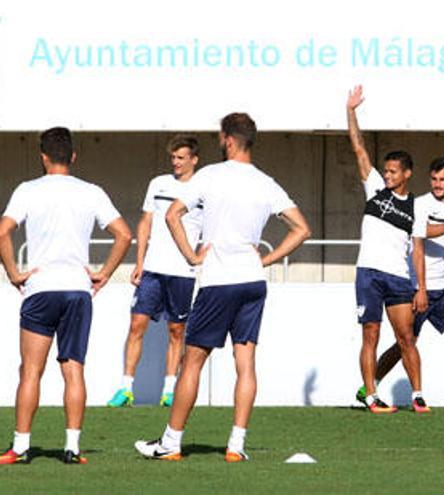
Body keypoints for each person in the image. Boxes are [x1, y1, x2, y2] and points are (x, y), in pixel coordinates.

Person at [134, 113, 311, 462]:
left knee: (193, 361)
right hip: (252, 281)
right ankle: (236, 445)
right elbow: (302, 229)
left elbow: (171, 215)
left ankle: (171, 443)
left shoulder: (210, 175)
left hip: (219, 282)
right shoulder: (266, 182)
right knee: (245, 362)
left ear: (228, 140)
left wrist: (191, 256)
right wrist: (267, 259)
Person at [0, 127, 132, 465]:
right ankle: (72, 447)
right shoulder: (91, 191)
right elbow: (123, 234)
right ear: (72, 156)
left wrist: (14, 273)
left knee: (31, 370)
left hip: (42, 288)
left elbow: (3, 230)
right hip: (77, 289)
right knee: (73, 369)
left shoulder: (28, 190)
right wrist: (104, 272)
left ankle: (21, 446)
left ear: (43, 157)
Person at [357, 157, 444, 411]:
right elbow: (424, 230)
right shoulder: (419, 204)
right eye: (434, 179)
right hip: (415, 286)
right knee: (405, 343)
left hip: (441, 287)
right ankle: (370, 385)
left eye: (443, 180)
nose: (437, 184)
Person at [347, 85, 429, 414]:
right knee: (371, 333)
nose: (389, 175)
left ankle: (418, 394)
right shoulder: (376, 189)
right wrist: (351, 110)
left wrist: (421, 287)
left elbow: (418, 249)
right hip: (369, 272)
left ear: (407, 174)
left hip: (398, 277)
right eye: (387, 171)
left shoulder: (416, 207)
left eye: (395, 171)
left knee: (406, 336)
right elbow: (358, 148)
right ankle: (371, 396)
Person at [108, 135, 202, 408]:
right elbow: (145, 221)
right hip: (152, 268)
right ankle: (126, 389)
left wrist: (201, 257)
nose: (176, 162)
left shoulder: (203, 190)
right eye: (173, 157)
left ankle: (169, 391)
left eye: (181, 158)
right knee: (137, 325)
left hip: (182, 272)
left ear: (194, 160)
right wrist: (139, 262)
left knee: (176, 330)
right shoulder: (158, 184)